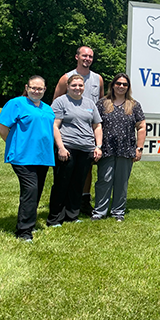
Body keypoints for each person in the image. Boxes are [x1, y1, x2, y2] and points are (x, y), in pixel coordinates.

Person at [0, 76, 55, 241]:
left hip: (43, 157)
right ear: (27, 87)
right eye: (33, 88)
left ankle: (30, 222)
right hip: (22, 157)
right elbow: (2, 127)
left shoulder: (47, 108)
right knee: (30, 190)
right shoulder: (16, 103)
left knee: (36, 191)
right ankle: (23, 232)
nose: (36, 91)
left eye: (40, 88)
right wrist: (14, 145)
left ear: (45, 90)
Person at [53, 45, 104, 215]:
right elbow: (56, 104)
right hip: (68, 134)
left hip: (89, 132)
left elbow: (101, 105)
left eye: (90, 56)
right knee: (66, 170)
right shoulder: (65, 78)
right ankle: (62, 205)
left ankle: (83, 200)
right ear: (77, 57)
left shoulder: (98, 79)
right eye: (84, 56)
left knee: (86, 169)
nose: (87, 59)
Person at [47, 74, 103, 226]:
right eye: (74, 85)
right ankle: (55, 218)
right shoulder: (61, 102)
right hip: (68, 148)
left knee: (77, 184)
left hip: (86, 149)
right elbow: (54, 126)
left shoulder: (90, 103)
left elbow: (97, 126)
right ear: (68, 86)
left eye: (80, 86)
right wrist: (60, 147)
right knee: (61, 183)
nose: (77, 88)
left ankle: (72, 215)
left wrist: (98, 146)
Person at [92, 73, 146, 222]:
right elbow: (96, 125)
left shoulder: (134, 105)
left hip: (126, 148)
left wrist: (139, 148)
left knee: (121, 182)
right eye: (118, 83)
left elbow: (141, 127)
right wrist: (97, 145)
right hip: (107, 148)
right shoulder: (102, 103)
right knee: (104, 180)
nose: (121, 86)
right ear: (113, 85)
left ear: (128, 87)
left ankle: (118, 212)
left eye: (124, 84)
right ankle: (99, 211)